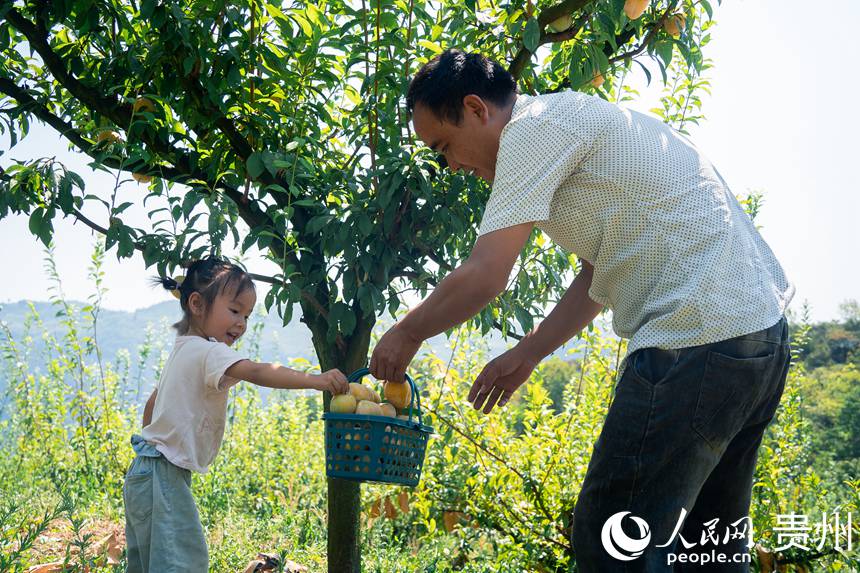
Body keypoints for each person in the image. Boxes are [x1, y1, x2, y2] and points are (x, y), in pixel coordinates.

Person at [369, 49, 794, 572]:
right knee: (706, 555)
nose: (452, 166)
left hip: (693, 335)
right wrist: (527, 354)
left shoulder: (531, 128)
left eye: (444, 146)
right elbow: (599, 273)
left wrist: (407, 333)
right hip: (756, 338)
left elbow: (486, 274)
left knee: (611, 541)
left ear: (477, 109)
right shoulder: (577, 121)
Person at [123, 255, 349, 573]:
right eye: (234, 310)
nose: (241, 323)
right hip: (162, 474)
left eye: (247, 315)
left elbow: (153, 404)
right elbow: (257, 371)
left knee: (150, 565)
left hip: (144, 470)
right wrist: (316, 380)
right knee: (183, 563)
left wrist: (154, 444)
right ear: (197, 304)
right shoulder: (208, 352)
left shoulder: (184, 348)